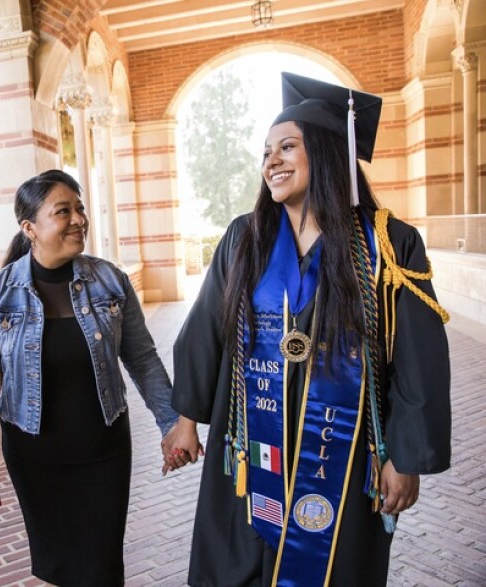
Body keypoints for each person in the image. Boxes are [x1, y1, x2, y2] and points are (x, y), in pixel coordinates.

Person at [171, 73, 452, 586]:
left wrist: (405, 456)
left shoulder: (388, 245)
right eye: (265, 152)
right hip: (253, 446)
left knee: (332, 566)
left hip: (341, 457)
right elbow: (205, 331)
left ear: (325, 152)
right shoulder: (244, 238)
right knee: (243, 559)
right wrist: (187, 418)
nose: (271, 161)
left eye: (286, 147)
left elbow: (417, 355)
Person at [0, 169, 198, 586]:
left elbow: (142, 359)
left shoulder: (109, 281)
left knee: (103, 567)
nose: (78, 219)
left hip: (103, 449)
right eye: (63, 211)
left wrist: (170, 423)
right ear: (29, 228)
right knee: (59, 566)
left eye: (80, 208)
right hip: (35, 455)